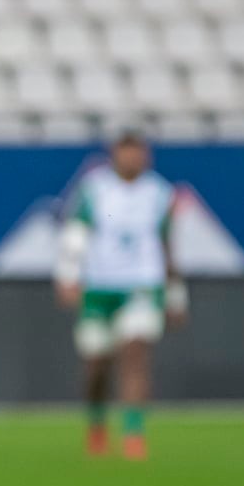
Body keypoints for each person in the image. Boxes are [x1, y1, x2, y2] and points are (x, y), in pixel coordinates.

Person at [53, 131, 187, 460]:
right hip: (99, 286)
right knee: (97, 364)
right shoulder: (94, 188)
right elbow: (76, 233)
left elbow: (167, 245)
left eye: (137, 152)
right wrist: (69, 276)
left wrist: (176, 294)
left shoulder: (159, 192)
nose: (132, 159)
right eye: (126, 152)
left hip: (141, 284)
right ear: (114, 154)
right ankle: (97, 425)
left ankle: (133, 433)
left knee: (135, 352)